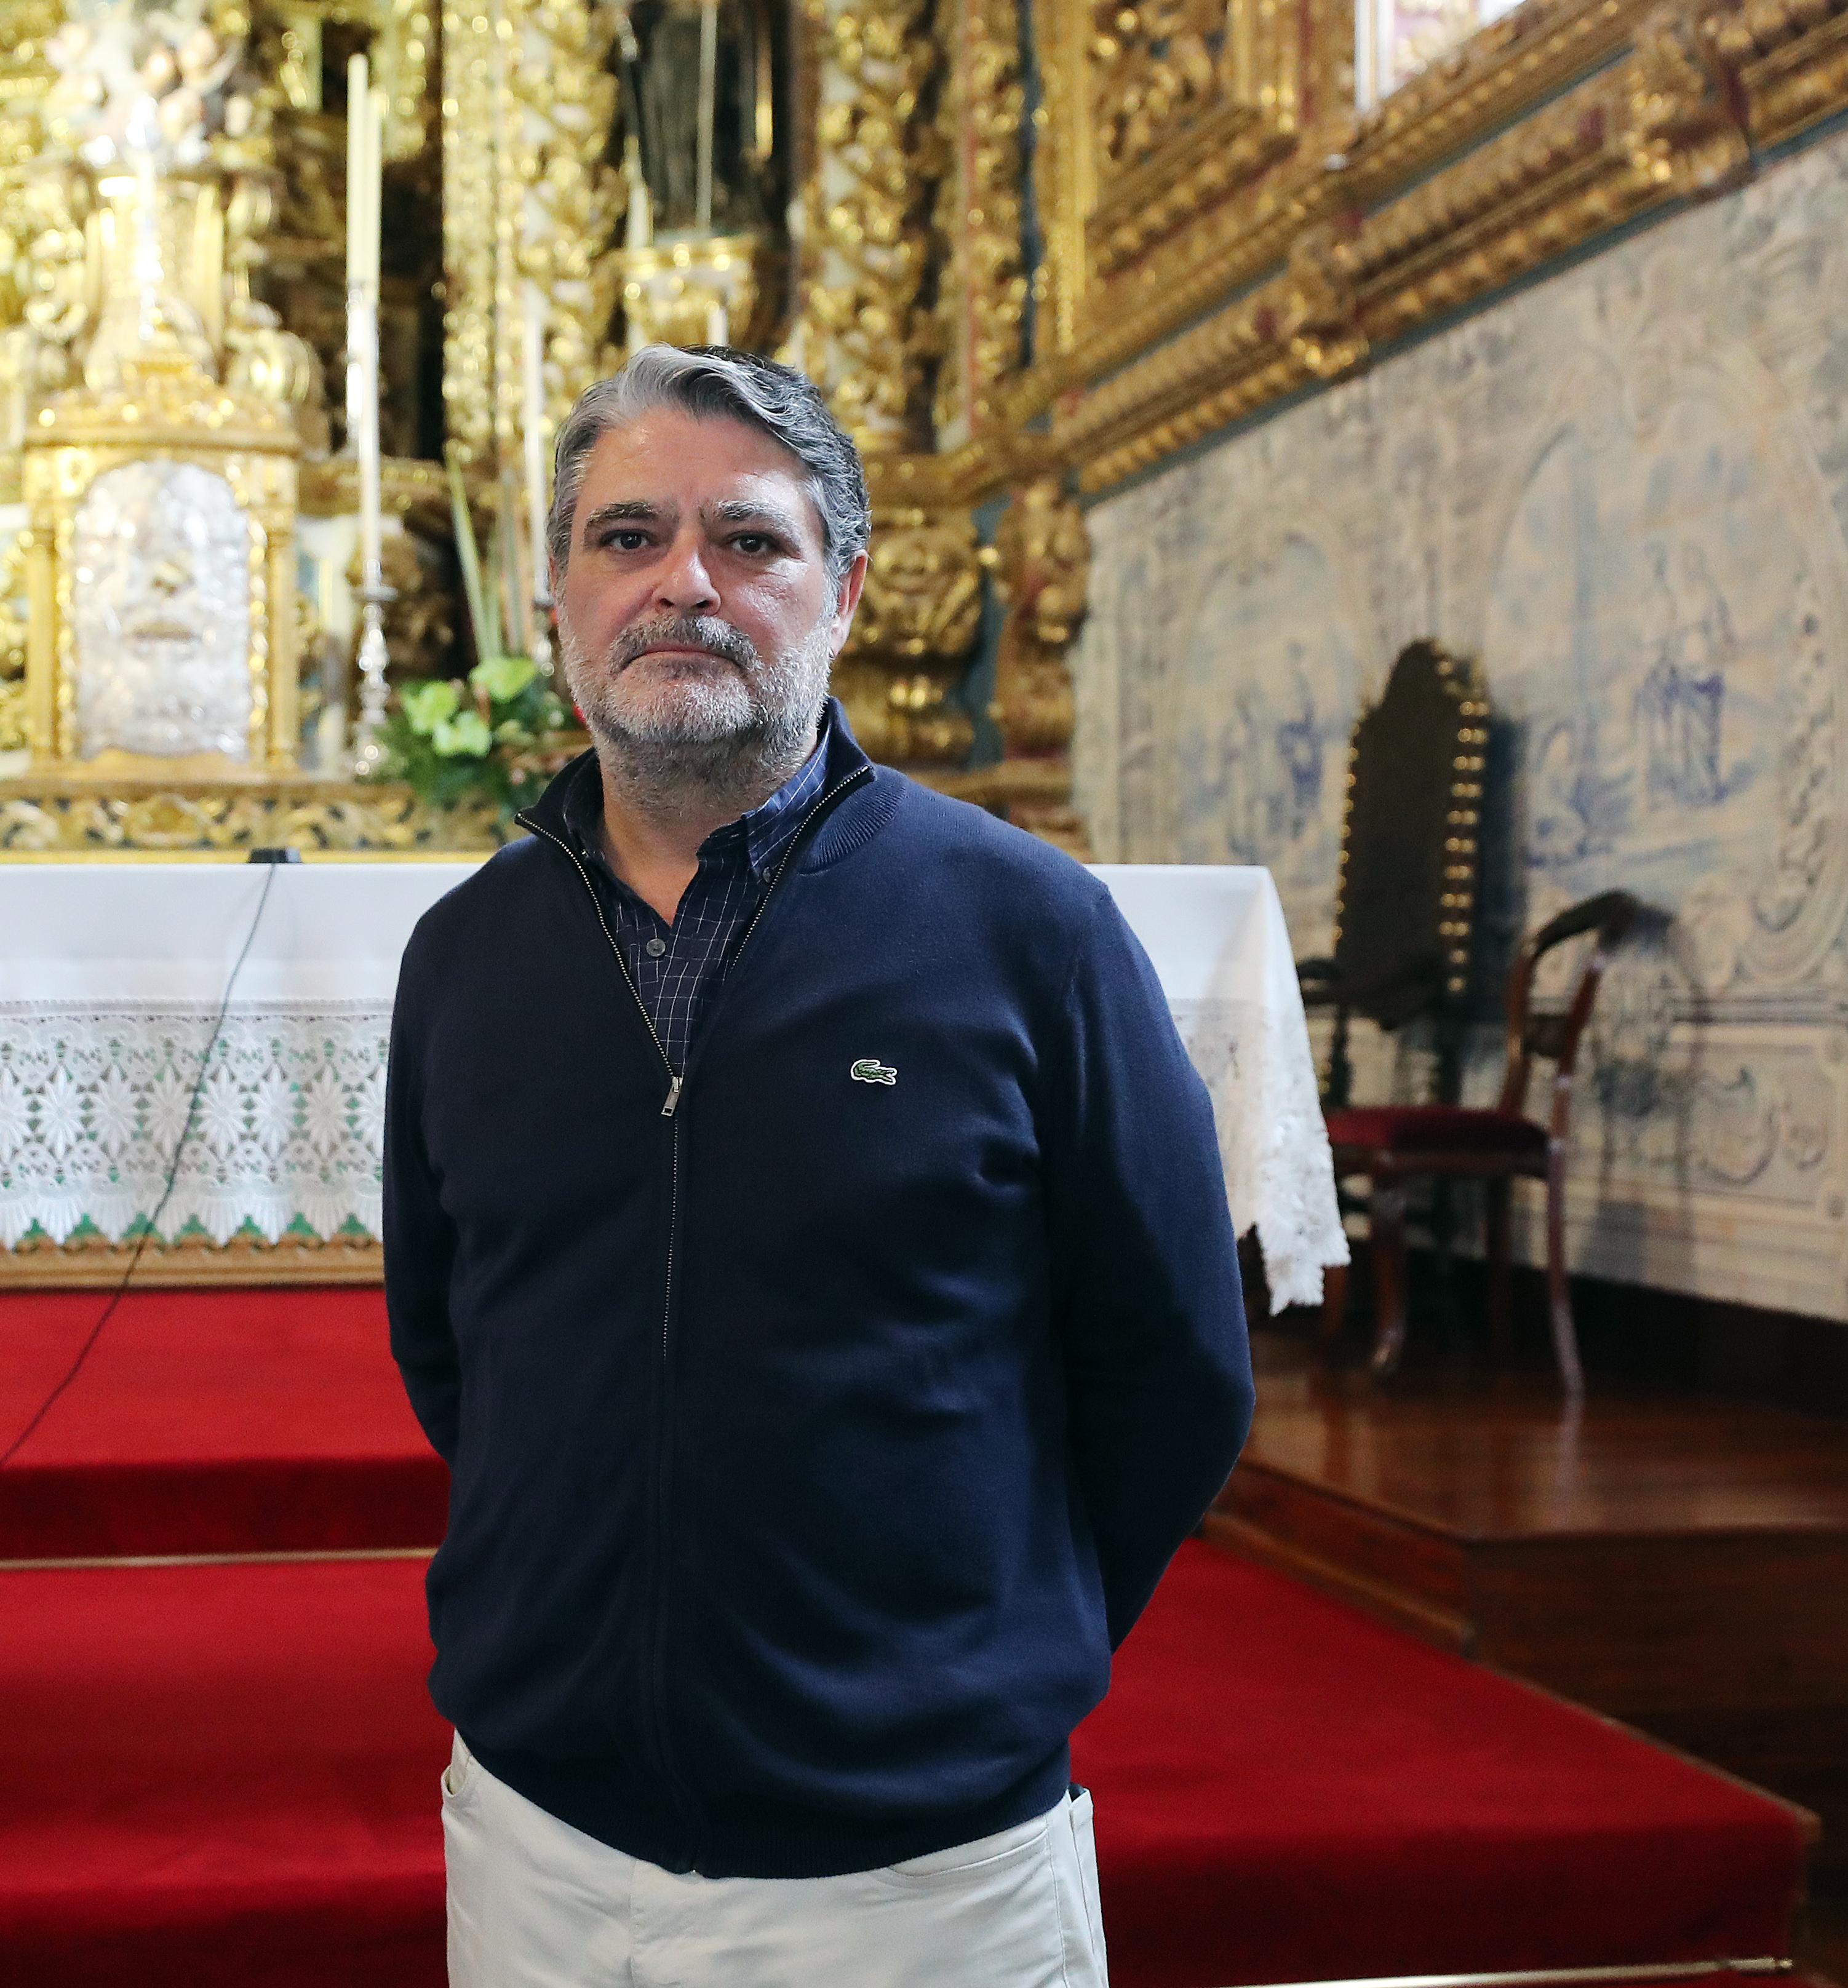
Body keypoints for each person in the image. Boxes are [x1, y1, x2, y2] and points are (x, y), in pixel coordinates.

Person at [383, 343, 1254, 1987]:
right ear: (554, 599)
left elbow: (1174, 1371)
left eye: (749, 540)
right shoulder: (466, 953)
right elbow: (453, 1351)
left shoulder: (1029, 930)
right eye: (627, 537)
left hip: (918, 1873)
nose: (683, 583)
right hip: (538, 1840)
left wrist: (967, 1668)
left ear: (843, 591)